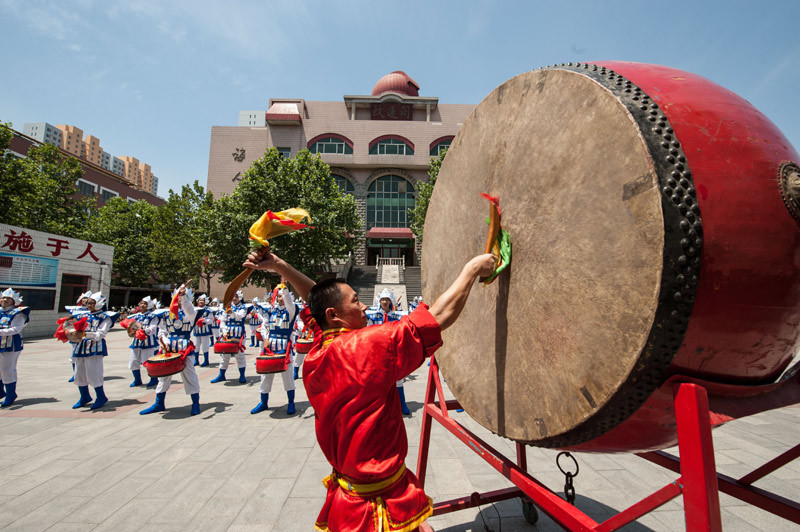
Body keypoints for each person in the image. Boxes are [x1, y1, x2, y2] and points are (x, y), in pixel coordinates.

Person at [243, 247, 495, 532]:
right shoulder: (367, 346)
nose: (364, 307)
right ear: (335, 315)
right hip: (377, 504)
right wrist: (473, 269)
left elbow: (317, 300)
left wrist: (280, 265)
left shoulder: (317, 351)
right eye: (356, 301)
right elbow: (436, 317)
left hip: (348, 491)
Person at [140, 284, 202, 416]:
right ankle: (159, 403)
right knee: (163, 377)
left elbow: (188, 307)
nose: (178, 300)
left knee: (190, 376)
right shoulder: (166, 315)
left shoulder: (191, 313)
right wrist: (164, 341)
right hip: (169, 349)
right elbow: (162, 331)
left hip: (184, 349)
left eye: (180, 298)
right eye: (176, 297)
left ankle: (195, 403)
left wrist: (183, 296)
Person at [250, 281, 299, 415]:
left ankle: (291, 402)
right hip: (270, 346)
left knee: (287, 376)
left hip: (284, 346)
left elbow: (288, 301)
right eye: (278, 296)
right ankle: (263, 402)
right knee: (266, 376)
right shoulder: (271, 311)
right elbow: (264, 326)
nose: (280, 298)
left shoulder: (291, 310)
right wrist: (265, 338)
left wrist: (284, 288)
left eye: (282, 296)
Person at [366, 289, 413, 415]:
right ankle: (379, 405)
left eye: (387, 299)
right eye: (382, 299)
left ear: (390, 302)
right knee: (378, 379)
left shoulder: (397, 316)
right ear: (379, 301)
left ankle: (402, 404)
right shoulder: (372, 315)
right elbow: (368, 332)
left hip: (393, 350)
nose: (385, 302)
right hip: (378, 350)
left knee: (398, 378)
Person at [70, 291, 118, 410]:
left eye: (92, 303)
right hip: (81, 346)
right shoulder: (84, 315)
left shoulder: (105, 317)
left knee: (94, 373)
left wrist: (86, 334)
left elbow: (100, 334)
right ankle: (84, 396)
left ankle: (101, 396)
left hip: (95, 348)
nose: (89, 305)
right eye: (88, 303)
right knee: (78, 372)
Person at [211, 290, 249, 384]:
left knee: (239, 355)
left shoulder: (243, 307)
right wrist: (224, 331)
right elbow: (223, 320)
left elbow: (240, 316)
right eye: (233, 296)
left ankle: (242, 375)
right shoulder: (226, 307)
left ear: (239, 297)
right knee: (225, 355)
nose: (234, 298)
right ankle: (221, 375)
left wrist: (231, 312)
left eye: (236, 296)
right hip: (228, 333)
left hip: (238, 334)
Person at [0, 288, 30, 407]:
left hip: (11, 345)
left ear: (14, 301)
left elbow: (16, 329)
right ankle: (1, 392)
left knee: (8, 369)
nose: (4, 300)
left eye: (8, 298)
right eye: (3, 298)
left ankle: (11, 394)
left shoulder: (18, 313)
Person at [126, 296, 161, 387]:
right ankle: (137, 379)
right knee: (133, 361)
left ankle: (154, 378)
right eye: (141, 303)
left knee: (148, 361)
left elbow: (153, 328)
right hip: (136, 342)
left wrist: (144, 331)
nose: (142, 305)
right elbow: (131, 326)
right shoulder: (136, 316)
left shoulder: (153, 316)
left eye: (144, 303)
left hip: (148, 342)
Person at [64, 291, 92, 382]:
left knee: (87, 357)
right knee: (73, 356)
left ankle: (87, 374)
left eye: (87, 299)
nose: (85, 300)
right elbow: (70, 320)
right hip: (75, 334)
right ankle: (75, 374)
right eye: (83, 298)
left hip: (86, 335)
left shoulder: (92, 310)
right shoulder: (76, 309)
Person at [192, 294, 213, 367]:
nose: (201, 301)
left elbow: (211, 320)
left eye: (202, 300)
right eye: (200, 300)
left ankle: (206, 360)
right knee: (196, 346)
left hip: (205, 330)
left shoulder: (208, 310)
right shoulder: (194, 309)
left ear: (205, 301)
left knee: (205, 346)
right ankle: (196, 360)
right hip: (196, 330)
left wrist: (203, 321)